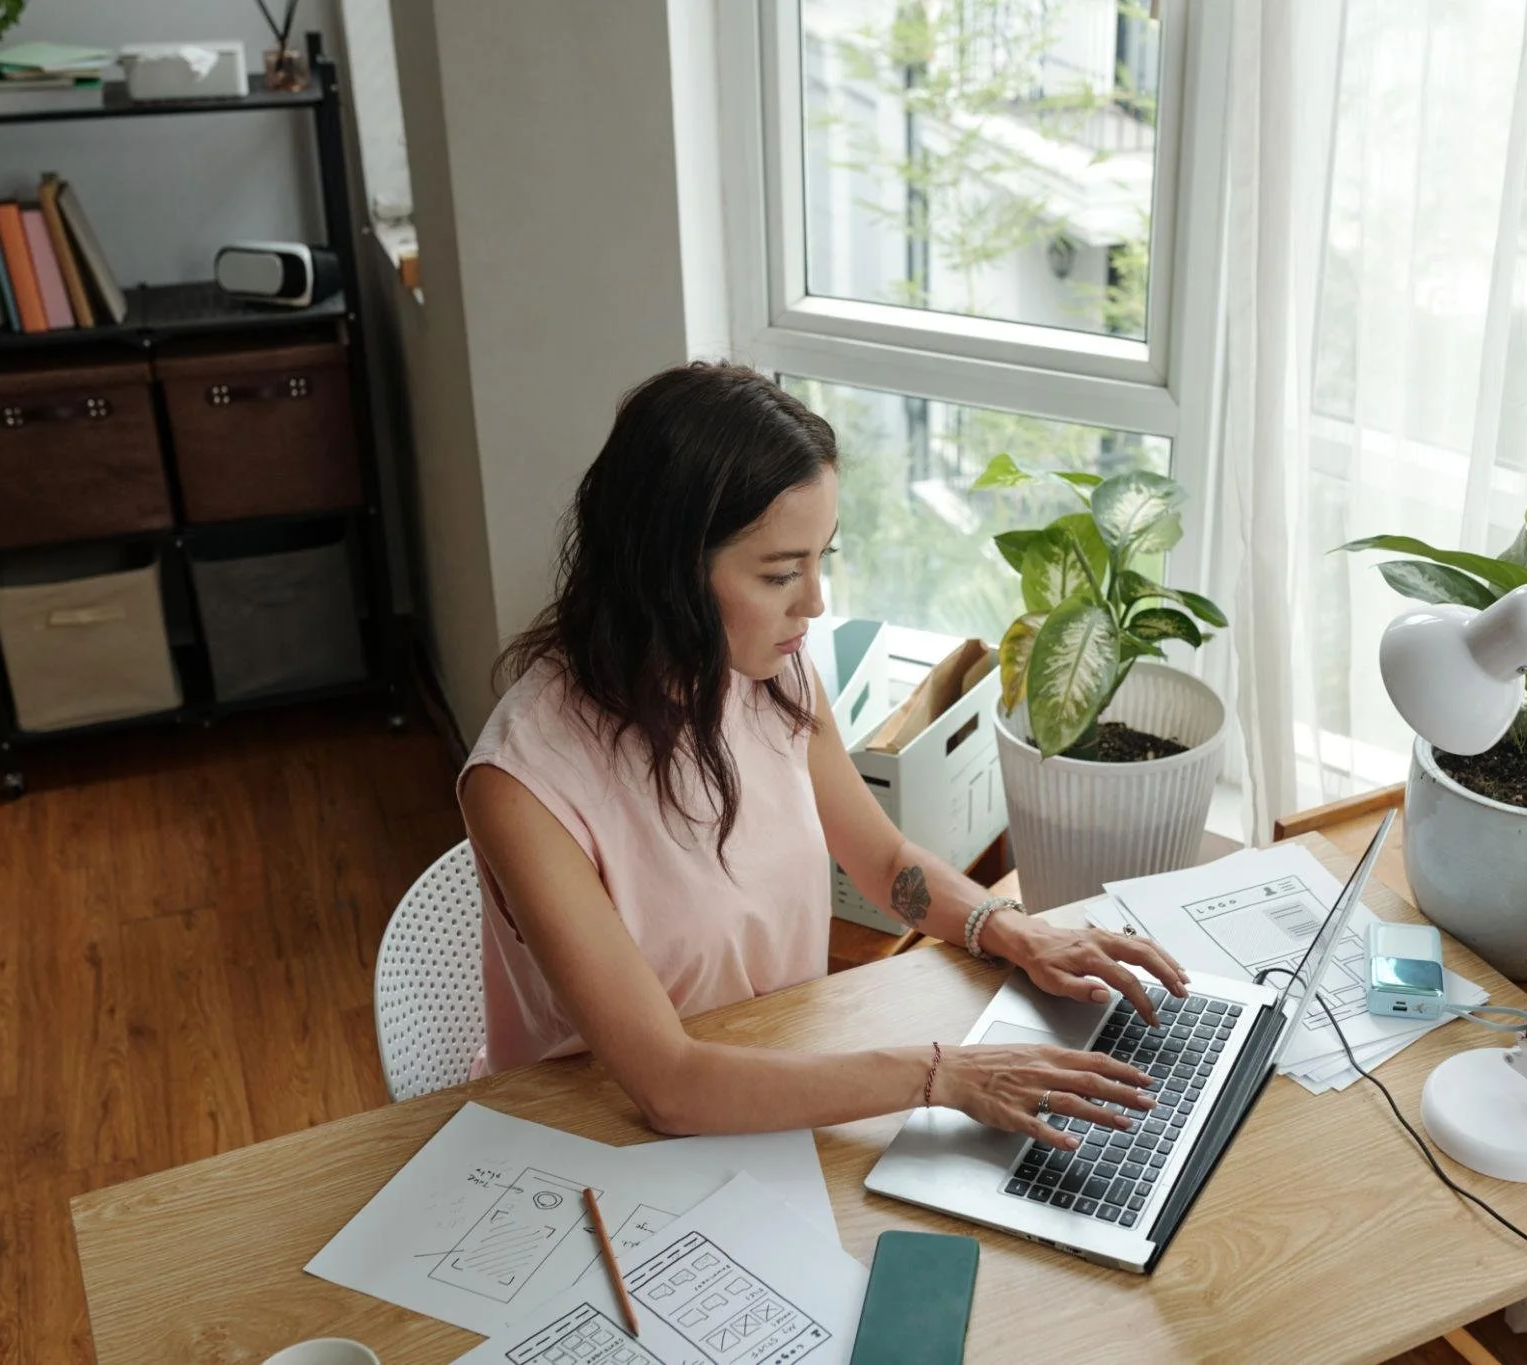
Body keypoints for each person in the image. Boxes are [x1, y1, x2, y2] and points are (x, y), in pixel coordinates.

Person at [459, 361, 1189, 1152]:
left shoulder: (767, 671)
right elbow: (667, 1084)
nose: (815, 603)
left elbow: (883, 862)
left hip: (778, 1080)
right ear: (664, 574)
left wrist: (1008, 929)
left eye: (820, 559)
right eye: (780, 572)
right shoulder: (519, 786)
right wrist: (942, 1073)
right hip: (595, 1133)